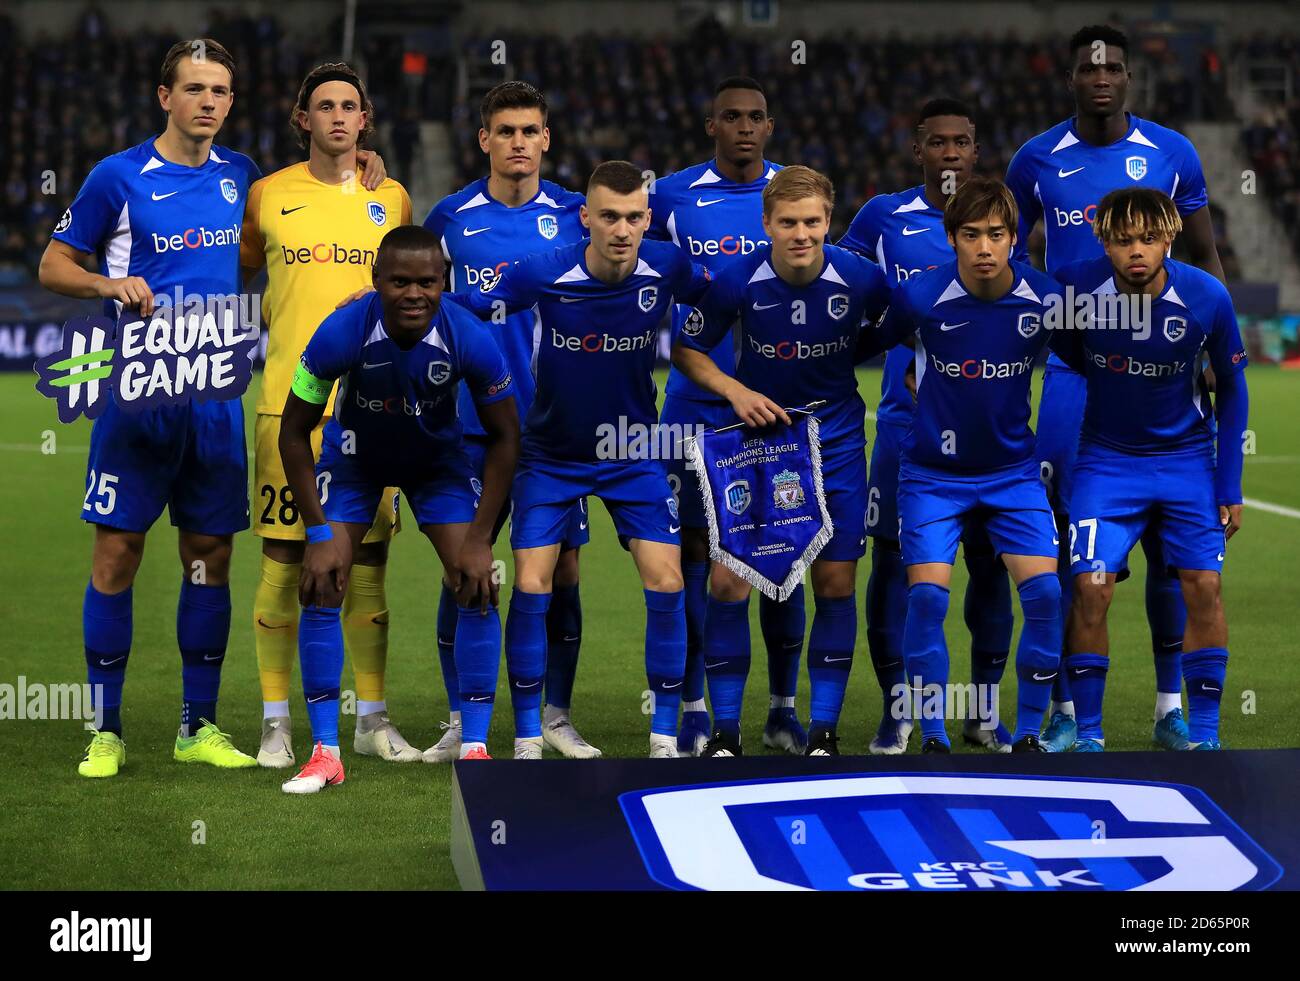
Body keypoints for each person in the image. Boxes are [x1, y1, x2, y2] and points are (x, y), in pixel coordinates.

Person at [38, 39, 260, 777]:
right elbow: (54, 262)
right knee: (116, 553)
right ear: (164, 96)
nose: (208, 101)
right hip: (137, 397)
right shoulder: (119, 176)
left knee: (211, 557)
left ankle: (197, 726)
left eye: (220, 91)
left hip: (215, 402)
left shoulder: (243, 179)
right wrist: (110, 287)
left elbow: (280, 241)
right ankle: (106, 730)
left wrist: (364, 171)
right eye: (194, 88)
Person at [1005, 24, 1227, 751]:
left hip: (1160, 368)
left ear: (1129, 77)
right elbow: (1008, 251)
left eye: (1114, 68)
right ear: (1070, 76)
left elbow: (1204, 253)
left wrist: (1207, 344)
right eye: (1087, 68)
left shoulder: (1173, 152)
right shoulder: (1035, 159)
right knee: (1081, 545)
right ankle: (1071, 710)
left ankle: (1171, 708)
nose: (1101, 78)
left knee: (1173, 550)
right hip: (1072, 371)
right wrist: (1050, 307)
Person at [459, 160, 711, 759]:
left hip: (632, 451)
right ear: (585, 218)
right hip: (550, 454)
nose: (621, 230)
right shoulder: (544, 272)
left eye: (632, 218)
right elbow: (466, 303)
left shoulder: (668, 266)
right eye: (608, 217)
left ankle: (663, 738)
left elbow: (726, 295)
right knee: (530, 582)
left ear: (648, 220)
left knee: (668, 580)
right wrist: (392, 294)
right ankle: (526, 738)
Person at [279, 225, 518, 792]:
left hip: (437, 465)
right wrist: (317, 533)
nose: (415, 294)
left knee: (475, 578)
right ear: (376, 282)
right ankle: (324, 754)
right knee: (323, 578)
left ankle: (476, 748)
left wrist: (482, 539)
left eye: (428, 282)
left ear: (444, 283)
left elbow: (507, 438)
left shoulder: (471, 337)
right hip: (356, 462)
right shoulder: (340, 332)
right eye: (401, 282)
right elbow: (292, 434)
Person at [672, 166, 890, 756]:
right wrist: (734, 391)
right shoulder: (738, 280)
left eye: (813, 221)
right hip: (759, 443)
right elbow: (688, 349)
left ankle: (822, 731)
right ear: (766, 223)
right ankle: (724, 733)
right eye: (788, 222)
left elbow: (898, 325)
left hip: (837, 440)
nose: (801, 233)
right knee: (728, 581)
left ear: (829, 222)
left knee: (835, 581)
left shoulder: (862, 278)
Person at [240, 62, 415, 768]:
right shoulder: (266, 195)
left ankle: (372, 717)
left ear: (365, 119)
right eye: (324, 106)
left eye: (350, 105)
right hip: (287, 406)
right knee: (286, 561)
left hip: (372, 410)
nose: (338, 116)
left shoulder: (393, 196)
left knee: (368, 563)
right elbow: (245, 270)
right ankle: (275, 722)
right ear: (302, 117)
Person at [860, 177, 1068, 753]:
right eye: (970, 234)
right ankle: (932, 735)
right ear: (950, 237)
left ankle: (1027, 735)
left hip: (1013, 474)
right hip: (932, 476)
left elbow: (1088, 361)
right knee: (927, 598)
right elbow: (867, 345)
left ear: (1013, 238)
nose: (983, 247)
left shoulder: (1048, 298)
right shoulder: (920, 296)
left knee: (1047, 596)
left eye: (995, 234)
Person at [423, 81, 597, 760]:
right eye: (507, 131)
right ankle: (459, 716)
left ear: (546, 139)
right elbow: (418, 303)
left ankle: (554, 713)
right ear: (485, 140)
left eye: (531, 131)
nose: (519, 143)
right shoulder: (450, 217)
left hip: (552, 428)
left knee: (564, 570)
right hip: (467, 425)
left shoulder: (578, 215)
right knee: (463, 568)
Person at [838, 98, 1016, 755]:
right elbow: (841, 293)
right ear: (917, 150)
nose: (949, 152)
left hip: (990, 437)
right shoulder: (883, 218)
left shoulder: (997, 222)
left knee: (990, 566)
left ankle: (983, 711)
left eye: (960, 142)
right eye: (936, 142)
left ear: (974, 150)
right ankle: (901, 710)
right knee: (892, 567)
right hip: (906, 429)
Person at [1052, 188, 1247, 751]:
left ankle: (1203, 740)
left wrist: (1228, 481)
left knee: (1204, 585)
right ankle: (1089, 737)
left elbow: (1232, 388)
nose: (1135, 251)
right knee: (1090, 588)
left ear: (1169, 238)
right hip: (1105, 463)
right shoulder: (1075, 289)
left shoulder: (1207, 296)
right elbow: (1068, 352)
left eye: (1147, 238)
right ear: (1103, 241)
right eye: (1122, 240)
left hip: (1186, 462)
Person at [647, 77, 806, 756]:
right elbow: (618, 244)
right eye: (731, 117)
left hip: (775, 415)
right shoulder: (673, 197)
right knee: (688, 559)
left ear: (770, 127)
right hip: (692, 405)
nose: (745, 127)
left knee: (785, 558)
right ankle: (692, 705)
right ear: (711, 125)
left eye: (756, 118)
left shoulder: (793, 195)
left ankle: (783, 707)